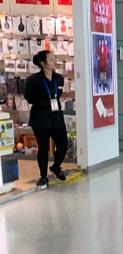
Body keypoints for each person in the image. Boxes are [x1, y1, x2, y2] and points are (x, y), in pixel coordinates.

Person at [24, 50, 68, 188]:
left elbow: (58, 94)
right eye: (51, 59)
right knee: (43, 148)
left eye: (55, 59)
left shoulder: (59, 79)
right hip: (40, 117)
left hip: (56, 116)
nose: (55, 61)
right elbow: (29, 97)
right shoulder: (33, 80)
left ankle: (55, 167)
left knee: (63, 144)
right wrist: (43, 102)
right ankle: (43, 176)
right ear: (43, 63)